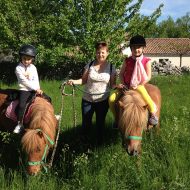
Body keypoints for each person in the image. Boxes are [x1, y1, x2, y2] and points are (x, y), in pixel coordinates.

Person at [67, 41, 116, 142]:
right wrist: (73, 81)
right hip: (87, 100)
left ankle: (98, 144)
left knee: (100, 124)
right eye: (98, 52)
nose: (100, 55)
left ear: (107, 53)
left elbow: (112, 85)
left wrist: (118, 86)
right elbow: (83, 81)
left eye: (103, 52)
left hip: (103, 101)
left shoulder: (111, 68)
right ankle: (84, 145)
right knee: (85, 125)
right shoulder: (89, 65)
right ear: (95, 53)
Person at [109, 35, 158, 126]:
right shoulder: (127, 60)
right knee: (111, 99)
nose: (136, 50)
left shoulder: (146, 61)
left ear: (143, 48)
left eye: (139, 47)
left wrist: (140, 84)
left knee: (146, 97)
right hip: (126, 86)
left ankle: (153, 114)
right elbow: (121, 73)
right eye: (134, 47)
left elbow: (148, 76)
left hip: (138, 85)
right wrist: (123, 83)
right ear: (131, 48)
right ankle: (116, 118)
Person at [13, 44, 44, 134]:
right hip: (24, 90)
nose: (26, 61)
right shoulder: (18, 68)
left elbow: (36, 79)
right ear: (21, 58)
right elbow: (23, 81)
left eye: (29, 59)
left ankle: (51, 116)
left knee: (48, 98)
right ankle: (19, 124)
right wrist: (35, 89)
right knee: (22, 105)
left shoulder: (33, 67)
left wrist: (38, 88)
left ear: (32, 59)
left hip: (34, 89)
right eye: (24, 58)